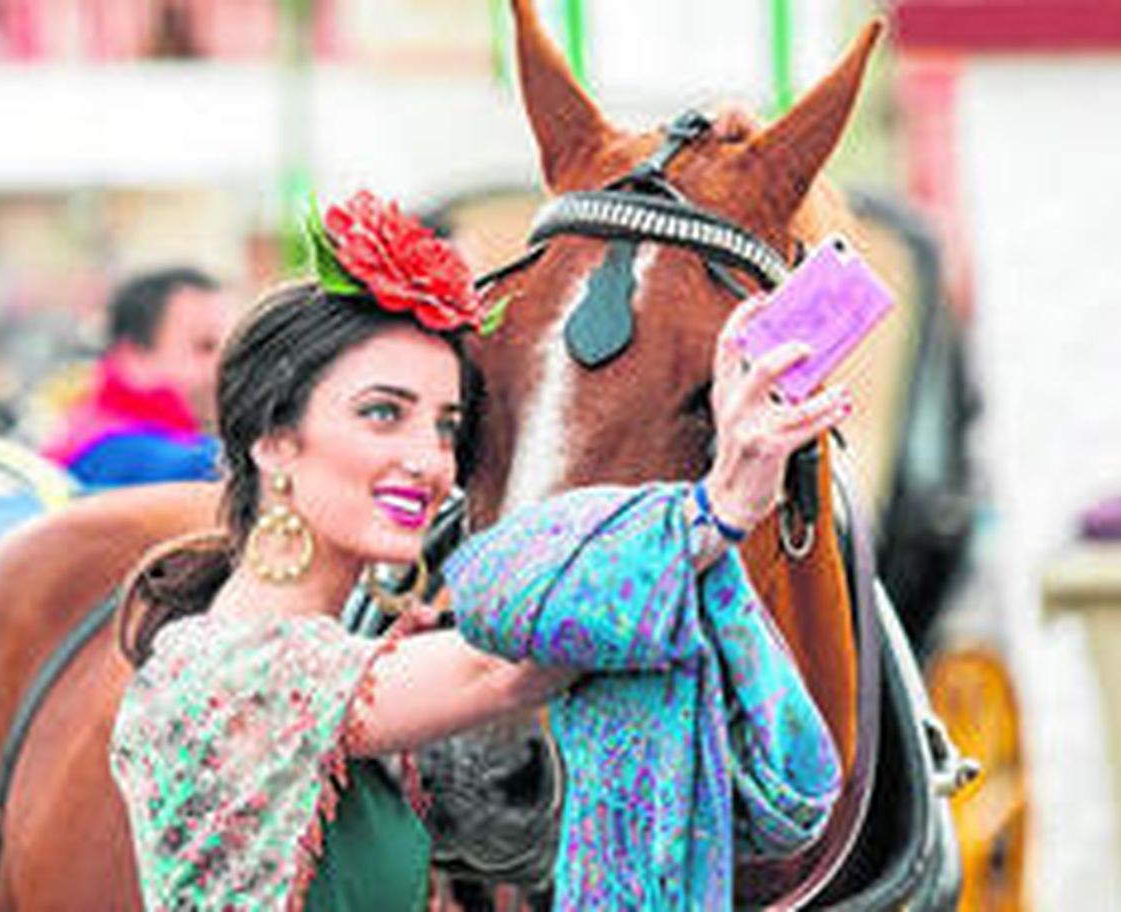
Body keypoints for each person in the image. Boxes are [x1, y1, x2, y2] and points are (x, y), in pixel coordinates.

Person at [110, 191, 849, 909]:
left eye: (445, 425)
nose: (428, 462)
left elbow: (556, 650)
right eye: (382, 413)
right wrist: (716, 506)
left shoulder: (343, 662)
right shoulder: (223, 673)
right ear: (273, 441)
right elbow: (506, 665)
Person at [42, 266, 231, 488]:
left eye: (237, 345)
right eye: (205, 346)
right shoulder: (108, 448)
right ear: (134, 356)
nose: (228, 364)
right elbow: (200, 467)